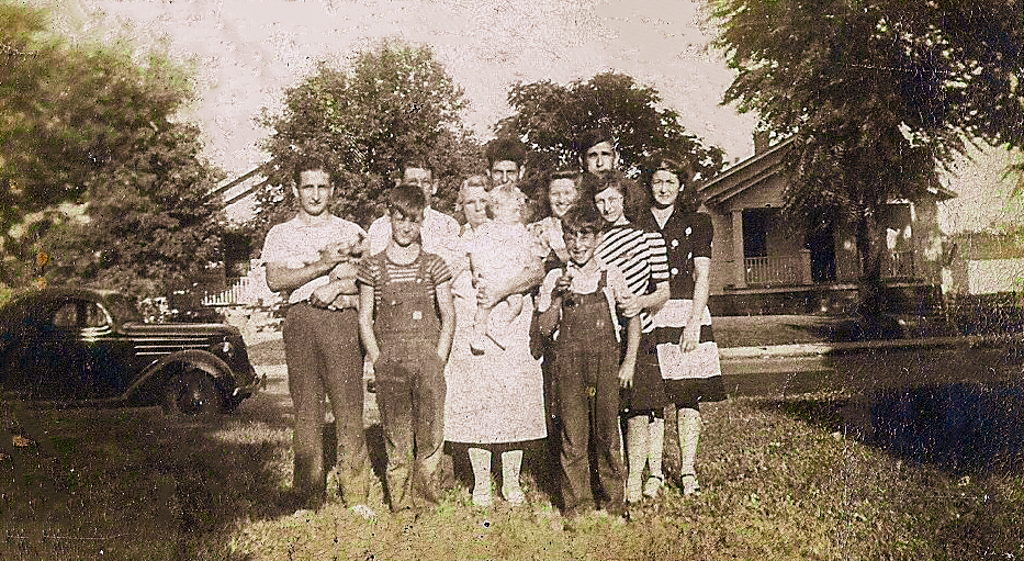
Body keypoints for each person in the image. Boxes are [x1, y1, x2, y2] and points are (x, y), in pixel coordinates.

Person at [262, 156, 374, 515]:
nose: (315, 194)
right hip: (300, 321)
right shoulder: (280, 233)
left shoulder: (351, 230)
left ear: (333, 189)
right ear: (295, 190)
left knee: (348, 407)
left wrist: (339, 283)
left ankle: (355, 494)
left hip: (342, 319)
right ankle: (308, 496)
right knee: (306, 410)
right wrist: (325, 266)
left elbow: (368, 277)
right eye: (307, 186)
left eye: (322, 186)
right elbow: (276, 280)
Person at [444, 176, 547, 508]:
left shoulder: (525, 236)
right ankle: (481, 483)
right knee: (479, 405)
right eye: (474, 203)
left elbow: (536, 271)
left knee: (514, 403)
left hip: (514, 328)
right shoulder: (469, 239)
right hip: (475, 331)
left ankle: (512, 481)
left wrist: (503, 291)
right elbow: (447, 272)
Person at [536, 203, 639, 519]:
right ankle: (576, 505)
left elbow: (632, 318)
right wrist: (556, 297)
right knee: (573, 435)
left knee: (608, 435)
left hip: (605, 365)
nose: (578, 244)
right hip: (569, 367)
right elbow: (544, 327)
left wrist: (629, 362)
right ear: (564, 239)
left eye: (585, 236)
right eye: (571, 236)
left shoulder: (611, 276)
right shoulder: (556, 276)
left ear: (599, 239)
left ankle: (613, 502)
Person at [357, 183, 456, 513]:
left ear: (422, 221)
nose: (406, 227)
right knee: (397, 437)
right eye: (400, 219)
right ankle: (400, 503)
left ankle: (427, 501)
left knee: (430, 435)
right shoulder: (372, 267)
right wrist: (378, 359)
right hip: (391, 363)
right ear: (389, 217)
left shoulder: (434, 264)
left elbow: (448, 313)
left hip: (428, 360)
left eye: (413, 220)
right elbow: (365, 318)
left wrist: (439, 358)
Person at [638, 157, 726, 496]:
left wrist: (693, 322)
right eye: (657, 182)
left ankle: (688, 470)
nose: (663, 189)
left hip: (686, 312)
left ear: (681, 186)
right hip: (649, 315)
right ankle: (654, 472)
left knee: (688, 396)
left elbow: (703, 274)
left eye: (670, 183)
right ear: (650, 185)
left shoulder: (698, 222)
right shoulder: (638, 221)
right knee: (653, 398)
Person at [583, 172, 671, 505]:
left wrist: (641, 302)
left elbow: (663, 291)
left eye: (613, 200)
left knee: (637, 412)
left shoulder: (648, 238)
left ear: (625, 200)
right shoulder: (593, 240)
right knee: (608, 412)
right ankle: (613, 478)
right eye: (600, 201)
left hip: (641, 333)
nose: (606, 207)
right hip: (603, 336)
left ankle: (635, 478)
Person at [466, 182, 532, 353]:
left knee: (517, 303)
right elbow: (476, 251)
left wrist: (525, 262)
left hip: (511, 276)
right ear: (496, 209)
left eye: (519, 210)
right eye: (514, 211)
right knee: (484, 305)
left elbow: (527, 251)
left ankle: (498, 325)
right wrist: (477, 270)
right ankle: (478, 333)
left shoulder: (520, 230)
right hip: (491, 273)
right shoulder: (486, 229)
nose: (518, 215)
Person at [367, 161, 461, 270]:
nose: (419, 187)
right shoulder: (380, 226)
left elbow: (454, 268)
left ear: (434, 186)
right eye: (412, 181)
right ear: (399, 185)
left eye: (425, 182)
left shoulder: (448, 225)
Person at [527, 169, 580, 267]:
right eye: (555, 194)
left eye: (567, 193)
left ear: (578, 195)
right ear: (547, 196)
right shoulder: (538, 230)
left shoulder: (587, 225)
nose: (561, 200)